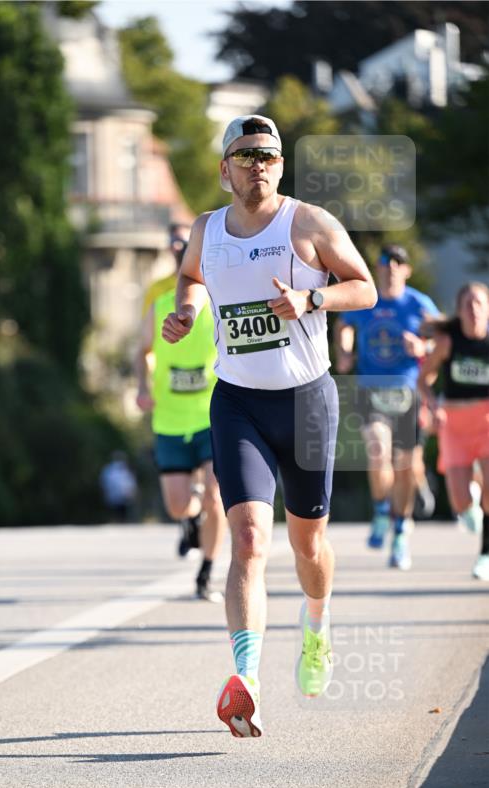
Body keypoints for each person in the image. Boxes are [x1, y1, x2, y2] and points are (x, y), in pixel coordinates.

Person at [162, 114, 377, 737]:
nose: (259, 164)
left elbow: (363, 288)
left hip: (307, 400)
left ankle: (316, 623)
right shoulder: (207, 229)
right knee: (251, 539)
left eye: (269, 155)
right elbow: (191, 277)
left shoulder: (308, 223)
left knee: (307, 544)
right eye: (246, 154)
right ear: (223, 168)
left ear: (281, 165)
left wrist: (312, 299)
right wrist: (184, 312)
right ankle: (247, 679)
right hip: (238, 404)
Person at [334, 245, 440, 570]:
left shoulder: (419, 303)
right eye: (385, 262)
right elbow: (343, 324)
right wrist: (344, 352)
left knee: (406, 465)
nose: (391, 267)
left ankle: (400, 531)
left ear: (406, 270)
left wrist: (424, 346)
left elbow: (441, 339)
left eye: (398, 262)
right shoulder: (366, 298)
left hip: (408, 392)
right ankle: (382, 510)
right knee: (379, 451)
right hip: (371, 389)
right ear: (377, 268)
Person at [136, 227, 226, 601]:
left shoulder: (218, 297)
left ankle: (206, 572)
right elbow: (143, 349)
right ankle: (188, 523)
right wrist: (143, 387)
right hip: (170, 418)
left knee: (214, 495)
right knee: (177, 503)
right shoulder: (158, 298)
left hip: (210, 416)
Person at [418, 282, 489, 581]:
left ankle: (485, 555)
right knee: (462, 504)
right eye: (467, 304)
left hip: (486, 419)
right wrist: (432, 405)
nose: (473, 309)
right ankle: (471, 497)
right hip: (455, 424)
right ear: (459, 311)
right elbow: (424, 380)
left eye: (478, 303)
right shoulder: (448, 342)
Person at [99, 452, 137, 523]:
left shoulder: (123, 469)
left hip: (121, 495)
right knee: (119, 511)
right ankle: (118, 522)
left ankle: (120, 522)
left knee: (121, 511)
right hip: (117, 495)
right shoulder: (113, 469)